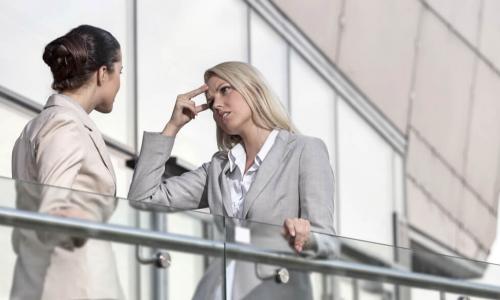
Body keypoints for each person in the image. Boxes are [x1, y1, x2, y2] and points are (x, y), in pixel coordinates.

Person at [128, 61, 336, 299]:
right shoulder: (219, 168)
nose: (216, 104)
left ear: (253, 89)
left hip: (276, 291)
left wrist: (305, 238)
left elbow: (327, 243)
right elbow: (143, 199)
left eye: (225, 90)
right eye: (210, 99)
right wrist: (172, 127)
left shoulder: (304, 151)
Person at [11, 25, 124, 300]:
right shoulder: (64, 124)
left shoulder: (36, 126)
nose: (120, 82)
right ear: (103, 73)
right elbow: (55, 209)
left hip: (42, 281)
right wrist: (73, 218)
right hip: (74, 286)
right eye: (120, 72)